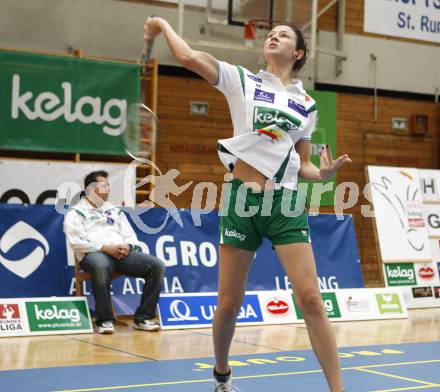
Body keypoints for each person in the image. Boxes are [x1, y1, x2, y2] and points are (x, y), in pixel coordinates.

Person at [144, 17, 350, 392]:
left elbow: (303, 165)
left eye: (284, 35)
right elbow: (188, 56)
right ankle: (222, 374)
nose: (274, 35)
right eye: (272, 33)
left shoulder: (306, 103)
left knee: (312, 300)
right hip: (242, 200)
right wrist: (161, 22)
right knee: (228, 304)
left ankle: (338, 389)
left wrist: (324, 174)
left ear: (298, 53)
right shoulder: (242, 81)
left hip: (286, 203)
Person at [64, 170, 165, 334]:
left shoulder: (114, 210)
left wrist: (128, 246)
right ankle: (104, 321)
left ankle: (143, 318)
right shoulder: (75, 212)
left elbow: (131, 235)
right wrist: (104, 247)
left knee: (157, 266)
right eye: (105, 185)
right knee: (101, 265)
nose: (109, 189)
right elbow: (76, 242)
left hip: (120, 254)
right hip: (94, 254)